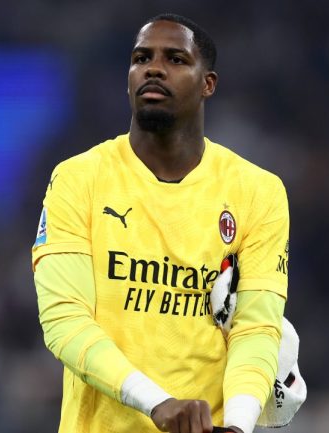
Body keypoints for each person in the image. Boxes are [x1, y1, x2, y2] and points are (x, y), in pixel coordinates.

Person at [32, 13, 290, 433]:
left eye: (175, 59)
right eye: (141, 58)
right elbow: (65, 321)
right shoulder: (79, 179)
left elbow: (257, 328)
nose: (153, 68)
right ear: (128, 79)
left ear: (208, 84)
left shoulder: (258, 192)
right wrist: (157, 403)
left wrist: (238, 425)